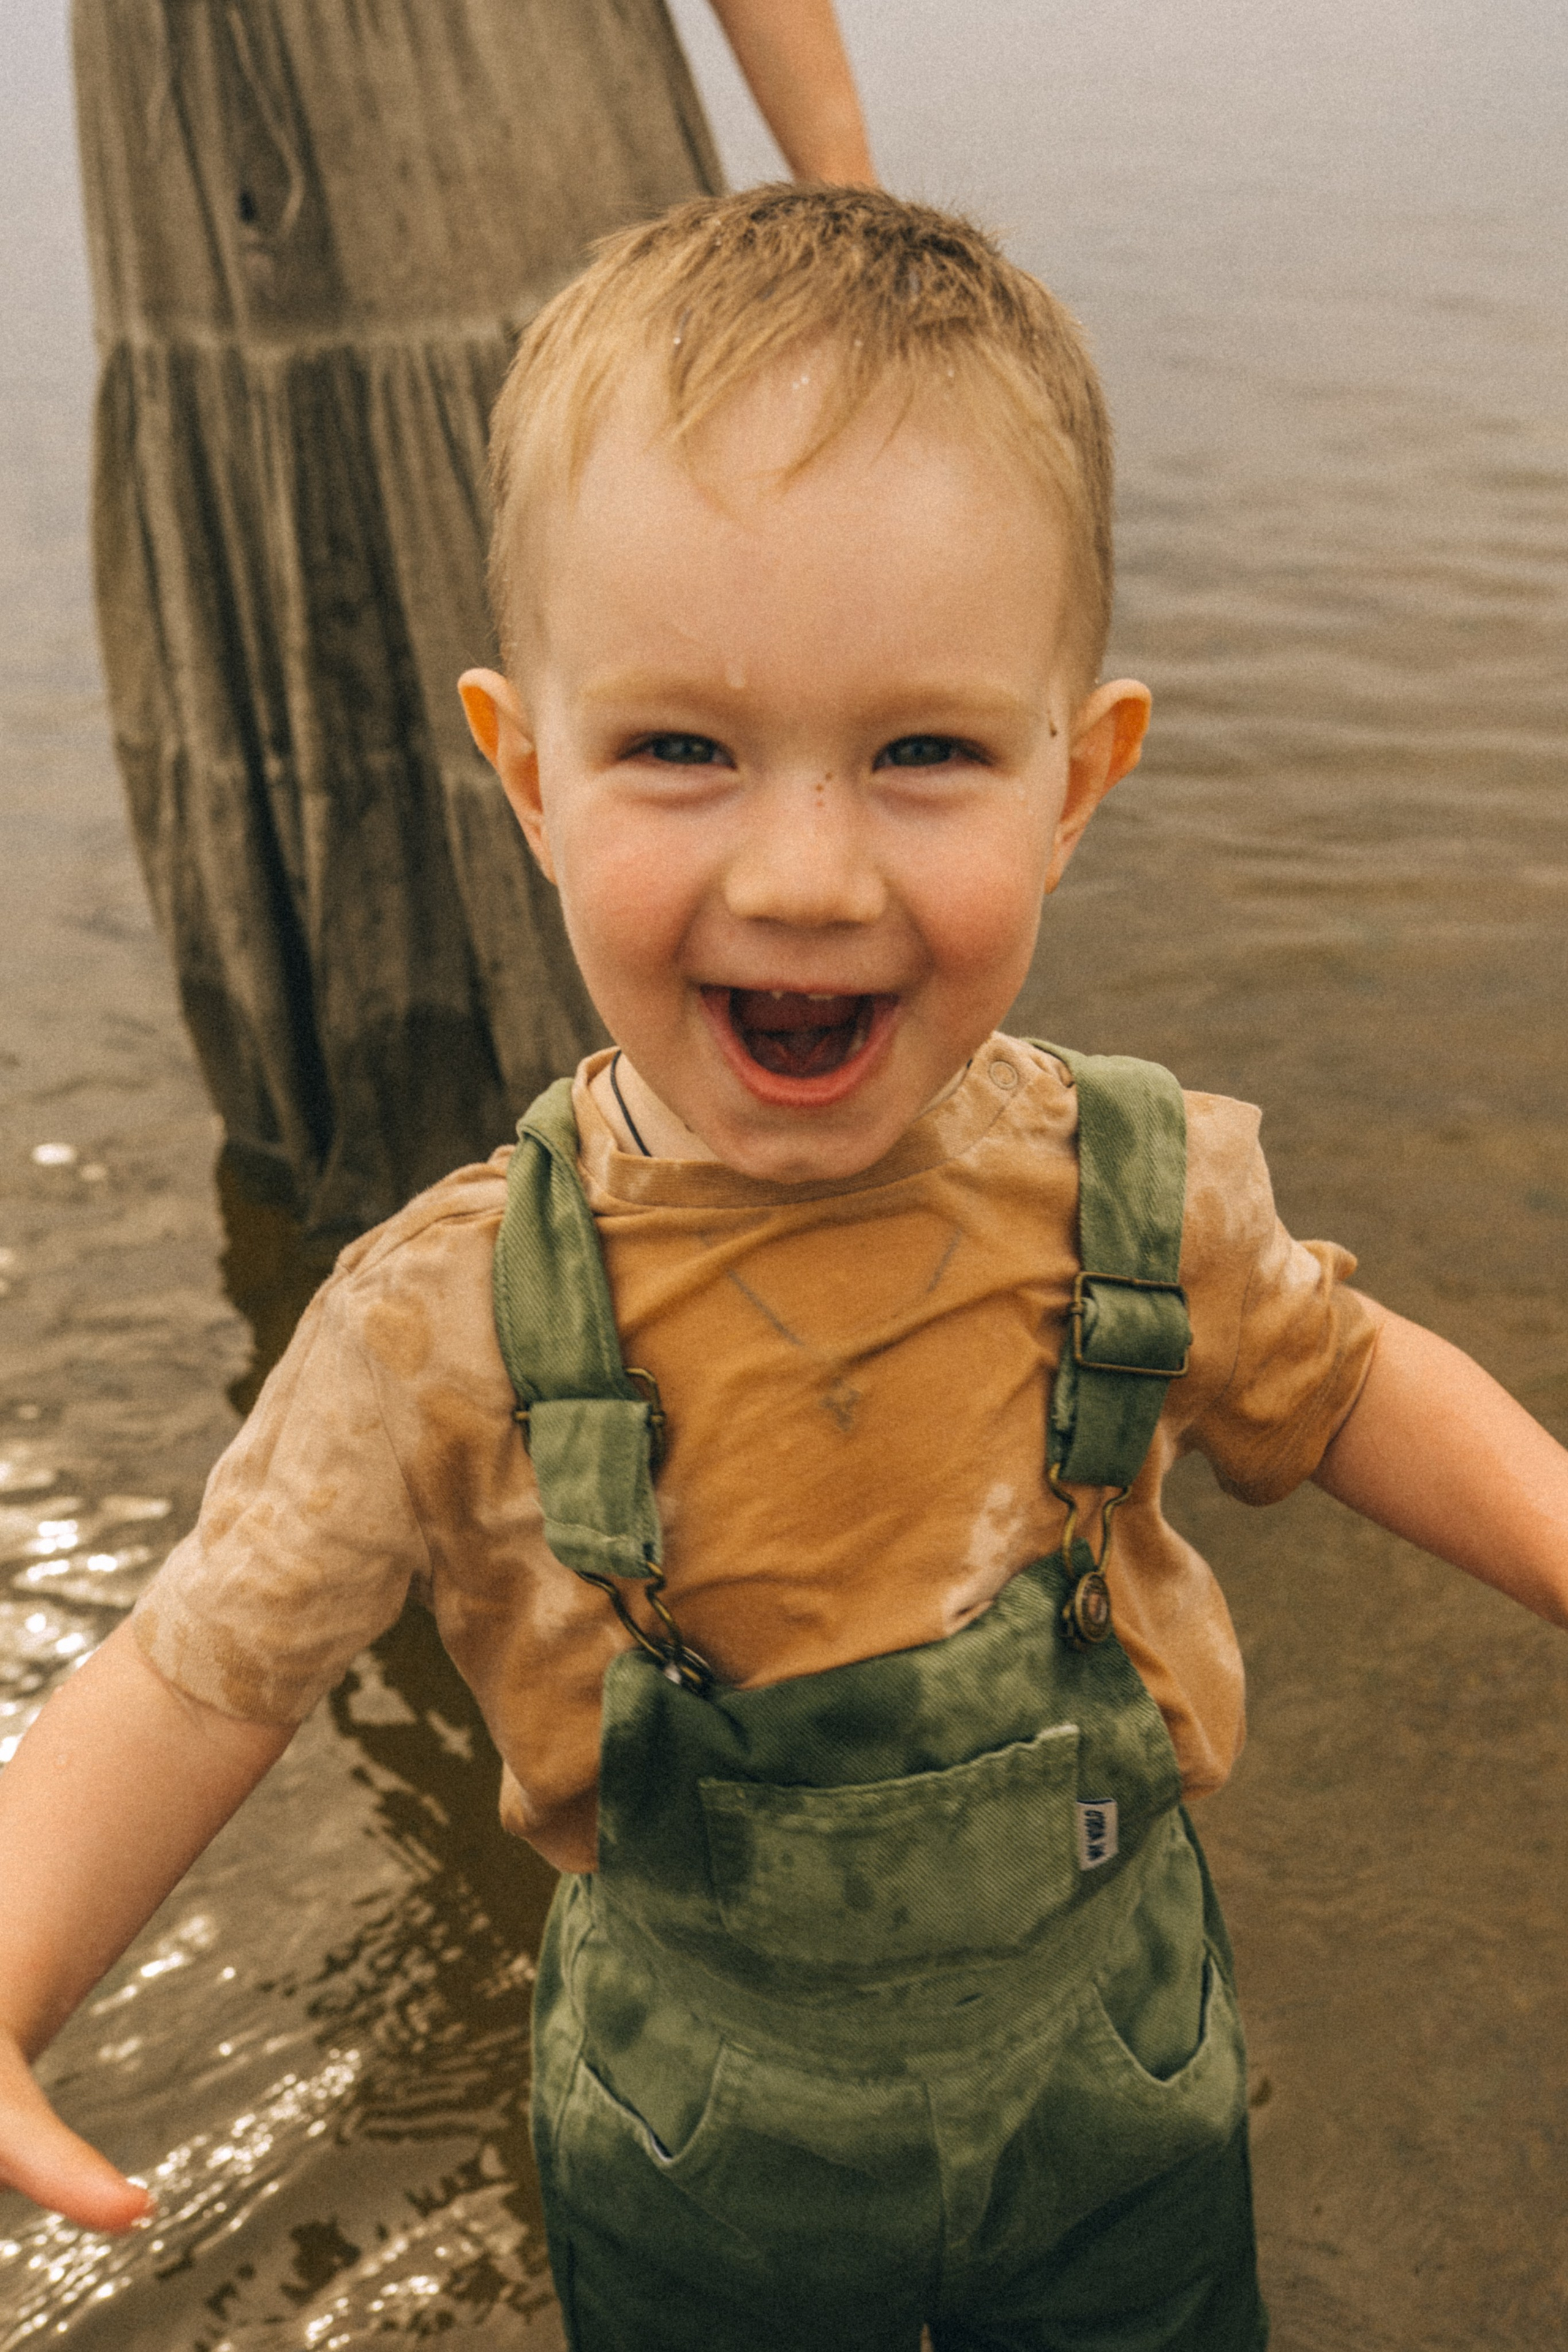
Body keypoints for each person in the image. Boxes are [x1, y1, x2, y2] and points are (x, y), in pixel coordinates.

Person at [4, 186, 1567, 2349]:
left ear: (1077, 781)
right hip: (702, 2159)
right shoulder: (440, 1323)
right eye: (681, 750)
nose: (808, 873)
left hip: (1112, 2086)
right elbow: (201, 1675)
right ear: (529, 774)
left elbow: (1352, 1375)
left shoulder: (1135, 1189)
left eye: (924, 751)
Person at [73, 0, 873, 1261]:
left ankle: (731, 1219)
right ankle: (394, 1311)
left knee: (603, 606)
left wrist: (856, 221)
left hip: (481, 97)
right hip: (189, 141)